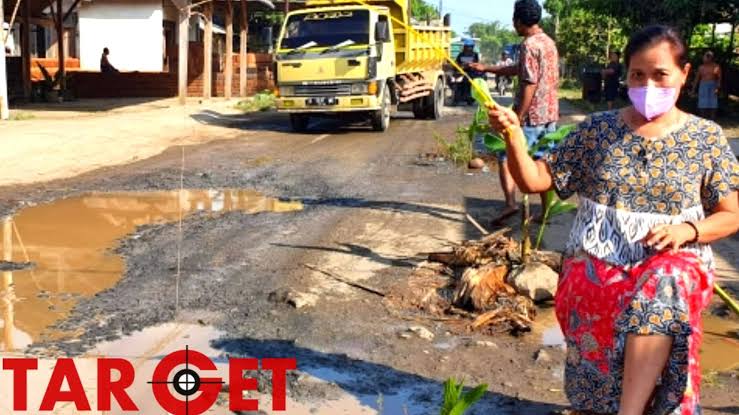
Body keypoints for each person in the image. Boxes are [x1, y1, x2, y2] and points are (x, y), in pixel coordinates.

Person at [487, 25, 739, 414]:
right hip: (599, 257)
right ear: (626, 75)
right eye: (638, 75)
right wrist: (514, 139)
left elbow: (729, 216)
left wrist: (688, 230)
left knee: (662, 286)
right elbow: (536, 179)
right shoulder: (596, 130)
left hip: (675, 259)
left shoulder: (705, 139)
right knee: (594, 299)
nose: (648, 84)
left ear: (684, 74)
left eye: (660, 75)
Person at [469, 0, 559, 225]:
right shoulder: (548, 42)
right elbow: (520, 70)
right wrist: (487, 68)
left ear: (519, 21)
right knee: (543, 162)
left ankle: (510, 203)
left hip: (532, 115)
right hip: (550, 114)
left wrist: (517, 116)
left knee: (505, 155)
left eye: (514, 20)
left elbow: (528, 82)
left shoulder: (528, 45)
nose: (513, 25)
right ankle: (546, 211)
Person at [692, 50, 721, 119]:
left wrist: (717, 88)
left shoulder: (716, 67)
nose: (703, 58)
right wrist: (693, 89)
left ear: (710, 58)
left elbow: (719, 78)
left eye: (705, 57)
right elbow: (697, 79)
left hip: (713, 85)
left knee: (713, 104)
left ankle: (712, 120)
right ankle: (703, 119)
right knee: (702, 103)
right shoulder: (701, 67)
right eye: (704, 56)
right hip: (703, 86)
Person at [454, 39, 482, 105]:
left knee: (475, 82)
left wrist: (470, 65)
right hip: (461, 72)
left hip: (471, 73)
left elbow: (476, 63)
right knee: (455, 82)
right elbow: (456, 63)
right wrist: (459, 66)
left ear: (472, 47)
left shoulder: (475, 55)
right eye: (466, 46)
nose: (468, 48)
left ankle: (470, 97)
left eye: (469, 47)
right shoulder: (460, 54)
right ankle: (457, 97)